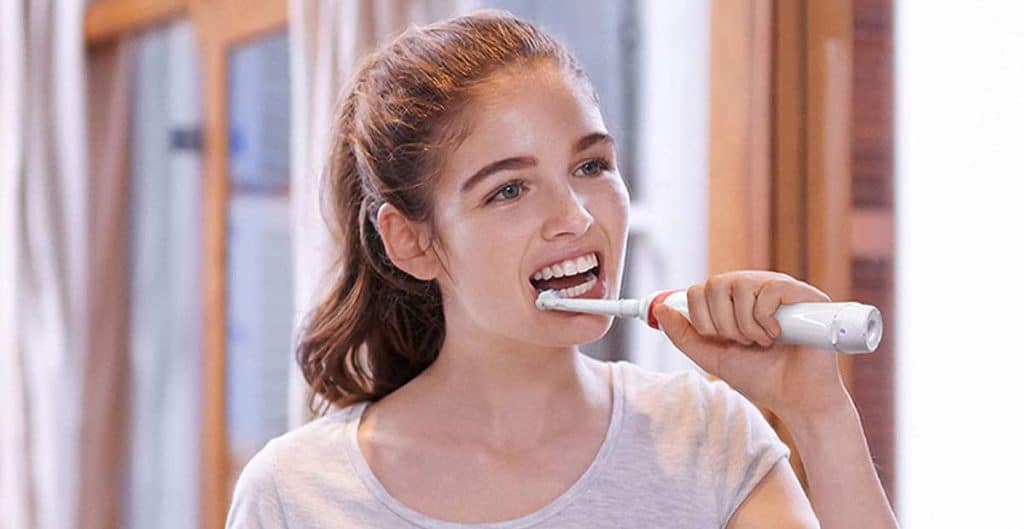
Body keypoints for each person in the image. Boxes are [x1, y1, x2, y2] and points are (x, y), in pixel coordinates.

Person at [227, 10, 898, 529]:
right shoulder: (296, 492)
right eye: (509, 190)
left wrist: (818, 413)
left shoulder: (707, 438)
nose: (576, 216)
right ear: (411, 242)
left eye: (591, 165)